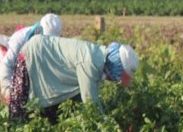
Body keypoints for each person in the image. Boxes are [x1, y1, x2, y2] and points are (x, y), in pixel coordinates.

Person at [9, 35, 140, 123]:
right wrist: (106, 125)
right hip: (35, 54)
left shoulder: (98, 57)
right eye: (120, 75)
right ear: (117, 68)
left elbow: (79, 96)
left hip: (43, 56)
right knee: (20, 109)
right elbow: (90, 102)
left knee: (50, 113)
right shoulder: (90, 63)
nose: (116, 80)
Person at [0, 13, 63, 105]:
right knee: (9, 104)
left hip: (26, 69)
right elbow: (7, 64)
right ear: (39, 29)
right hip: (6, 67)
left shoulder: (55, 41)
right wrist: (7, 90)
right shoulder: (21, 38)